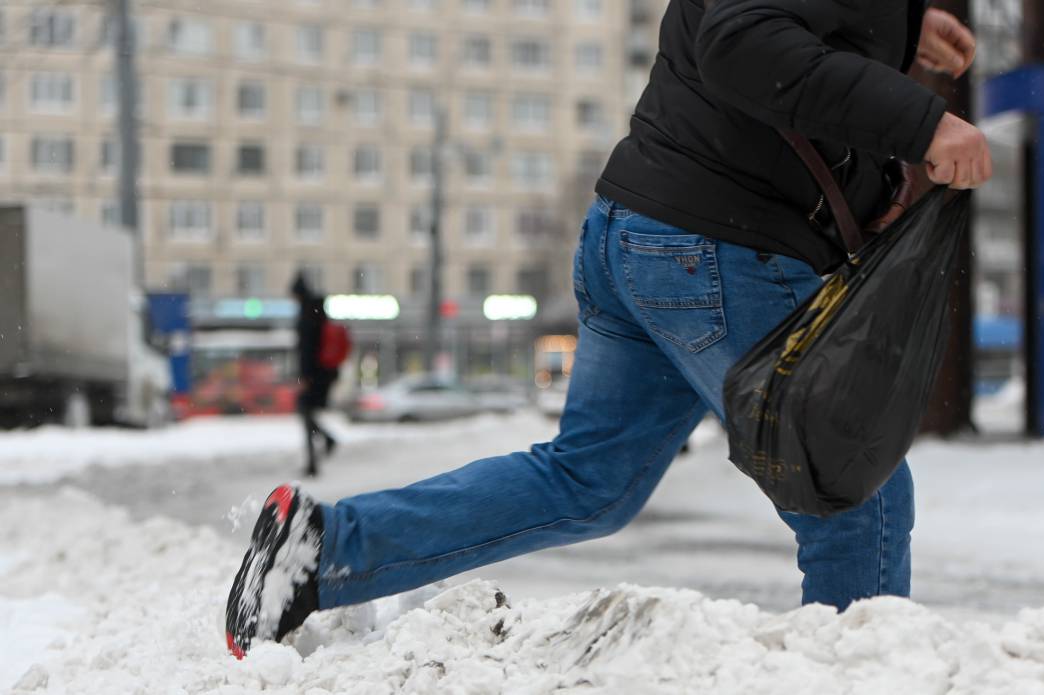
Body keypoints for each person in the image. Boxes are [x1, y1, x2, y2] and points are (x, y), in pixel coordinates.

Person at [225, 0, 991, 658]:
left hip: (646, 233)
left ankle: (323, 552)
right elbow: (741, 41)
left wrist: (898, 21)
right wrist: (923, 124)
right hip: (718, 246)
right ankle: (859, 671)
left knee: (588, 480)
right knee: (854, 491)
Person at [291, 274, 338, 478]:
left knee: (305, 412)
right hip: (324, 373)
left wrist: (305, 376)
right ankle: (320, 450)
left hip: (315, 375)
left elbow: (307, 350)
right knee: (306, 414)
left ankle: (315, 460)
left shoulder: (307, 315)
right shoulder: (318, 313)